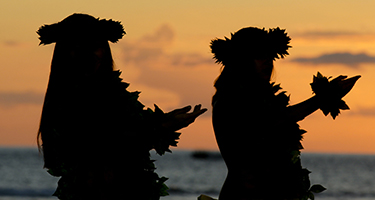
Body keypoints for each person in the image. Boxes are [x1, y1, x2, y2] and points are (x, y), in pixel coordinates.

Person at [37, 13, 207, 200]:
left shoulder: (113, 95)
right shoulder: (69, 100)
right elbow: (107, 145)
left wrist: (166, 121)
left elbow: (129, 134)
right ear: (64, 52)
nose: (89, 54)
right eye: (78, 47)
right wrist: (163, 126)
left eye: (96, 46)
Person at [210, 27, 360, 200]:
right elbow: (271, 121)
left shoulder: (264, 101)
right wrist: (323, 98)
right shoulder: (229, 99)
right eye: (259, 55)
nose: (268, 61)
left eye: (270, 56)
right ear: (241, 61)